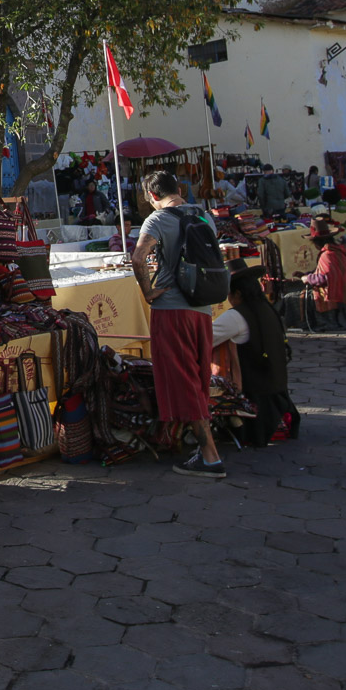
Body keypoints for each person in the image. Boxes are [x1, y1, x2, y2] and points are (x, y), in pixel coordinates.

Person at [130, 170, 225, 480]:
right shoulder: (204, 216)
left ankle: (210, 455)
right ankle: (203, 448)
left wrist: (147, 292)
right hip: (203, 309)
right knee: (198, 377)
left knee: (182, 380)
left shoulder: (157, 220)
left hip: (172, 310)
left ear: (153, 196)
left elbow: (138, 256)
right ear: (179, 189)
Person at [224, 267, 299, 447]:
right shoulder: (267, 308)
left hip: (256, 385)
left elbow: (205, 339)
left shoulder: (237, 316)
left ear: (238, 293)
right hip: (275, 382)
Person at [302, 218, 346, 330]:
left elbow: (323, 278)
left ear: (317, 243)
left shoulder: (327, 255)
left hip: (333, 296)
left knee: (292, 298)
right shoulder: (340, 251)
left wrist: (306, 278)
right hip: (345, 293)